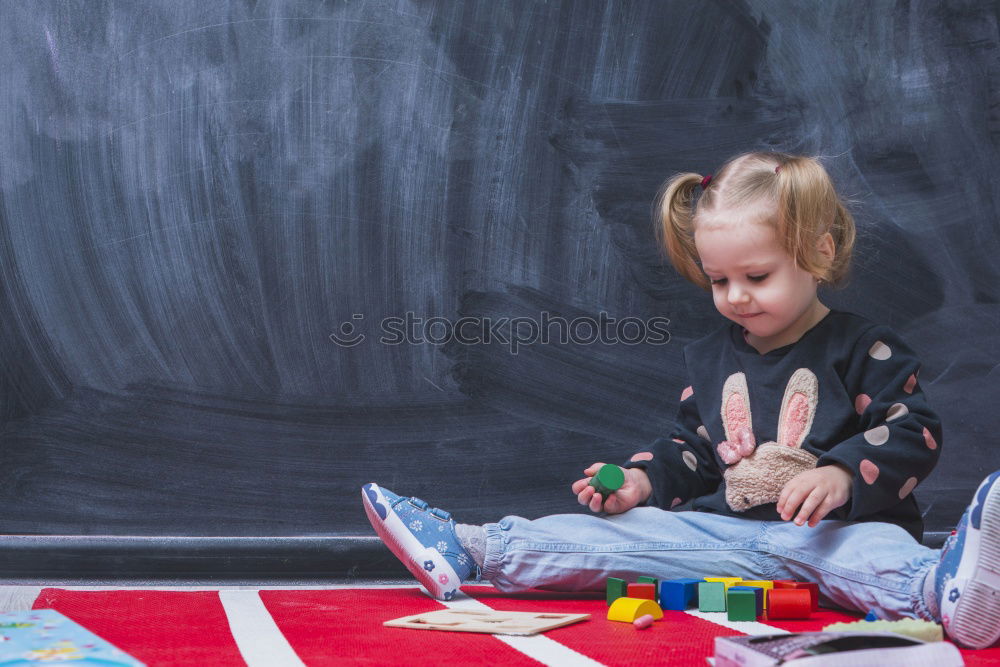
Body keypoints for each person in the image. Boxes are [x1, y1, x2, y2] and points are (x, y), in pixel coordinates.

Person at [361, 152, 1000, 649]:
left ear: (818, 253)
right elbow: (692, 450)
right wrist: (639, 483)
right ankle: (469, 547)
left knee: (875, 558)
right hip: (719, 537)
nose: (735, 297)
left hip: (831, 537)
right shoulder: (710, 358)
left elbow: (913, 428)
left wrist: (839, 472)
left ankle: (943, 590)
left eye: (757, 277)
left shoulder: (865, 348)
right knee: (610, 537)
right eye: (718, 280)